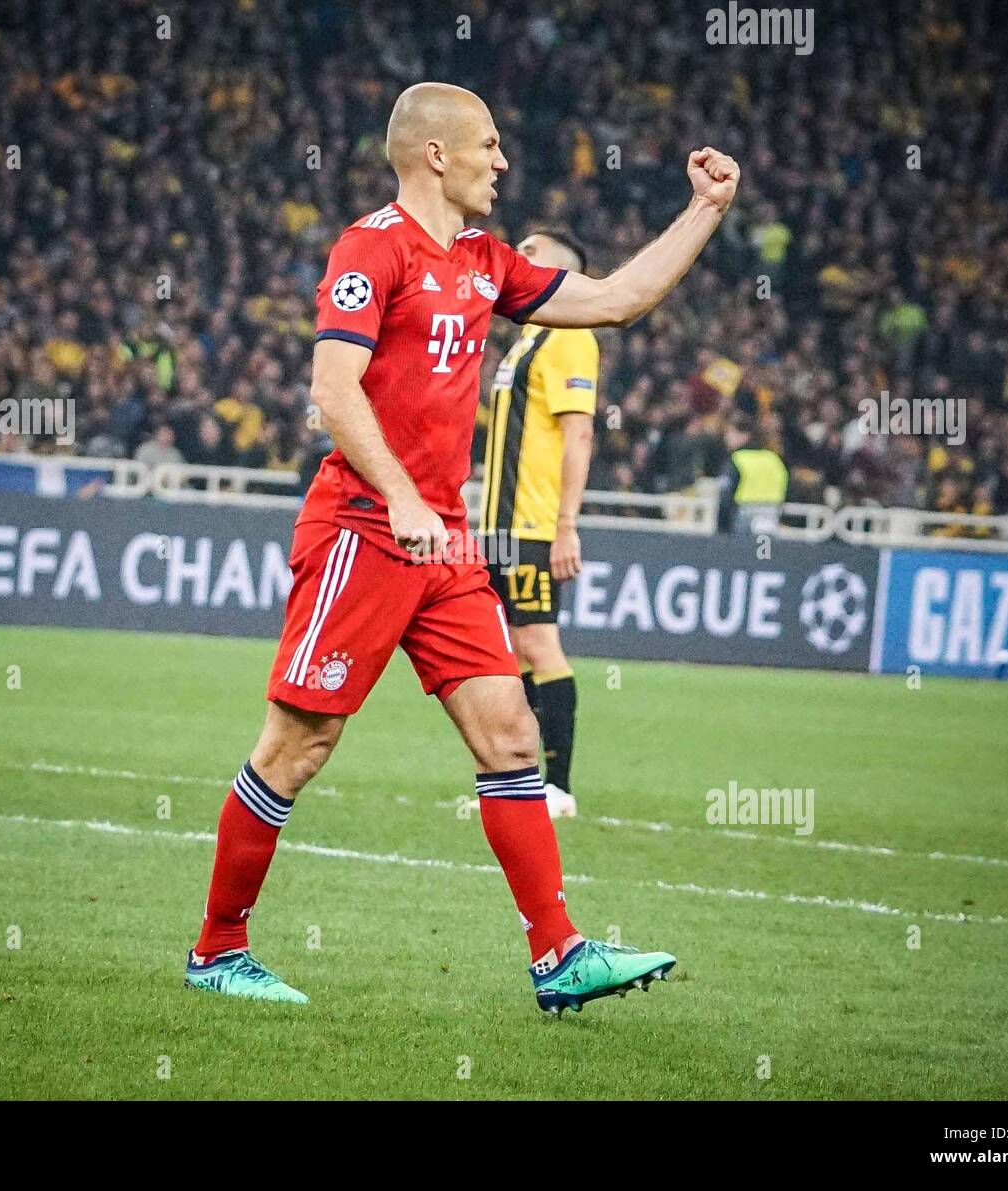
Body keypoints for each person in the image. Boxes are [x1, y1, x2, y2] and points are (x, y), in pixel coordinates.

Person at [185, 81, 739, 1014]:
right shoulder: (372, 246)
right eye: (488, 143)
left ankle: (558, 953)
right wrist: (400, 495)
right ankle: (217, 949)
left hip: (442, 545)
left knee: (511, 732)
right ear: (435, 153)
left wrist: (706, 209)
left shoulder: (486, 261)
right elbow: (333, 386)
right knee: (298, 744)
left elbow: (617, 299)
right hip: (363, 529)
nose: (503, 160)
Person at [476, 228, 597, 820]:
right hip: (496, 529)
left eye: (531, 252)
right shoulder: (527, 338)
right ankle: (522, 785)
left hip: (531, 525)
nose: (517, 256)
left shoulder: (570, 335)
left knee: (539, 645)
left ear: (561, 273)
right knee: (509, 653)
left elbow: (579, 432)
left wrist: (565, 526)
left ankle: (560, 786)